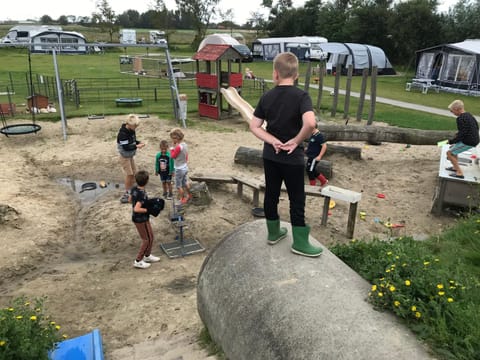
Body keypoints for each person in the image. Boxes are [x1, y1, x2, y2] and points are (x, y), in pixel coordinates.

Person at [249, 52, 322, 257]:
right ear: (296, 74)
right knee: (296, 198)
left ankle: (273, 233)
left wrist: (272, 140)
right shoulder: (301, 96)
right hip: (293, 158)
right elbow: (310, 123)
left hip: (270, 156)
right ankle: (299, 242)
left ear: (275, 74)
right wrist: (296, 141)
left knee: (271, 194)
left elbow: (254, 126)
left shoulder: (267, 96)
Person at [129, 170, 161, 269]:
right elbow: (136, 208)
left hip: (142, 218)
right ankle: (138, 260)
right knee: (146, 239)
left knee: (151, 236)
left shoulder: (134, 188)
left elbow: (130, 199)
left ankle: (147, 255)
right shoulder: (141, 194)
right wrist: (148, 209)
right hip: (140, 219)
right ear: (146, 181)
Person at [446, 100, 479, 179]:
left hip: (469, 141)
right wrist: (456, 142)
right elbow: (476, 127)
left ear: (457, 109)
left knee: (449, 153)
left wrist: (451, 141)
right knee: (454, 150)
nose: (452, 113)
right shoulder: (469, 115)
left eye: (452, 111)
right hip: (474, 139)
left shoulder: (460, 118)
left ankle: (459, 173)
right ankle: (455, 168)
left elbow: (462, 134)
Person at [117, 114, 146, 203]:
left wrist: (138, 142)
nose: (136, 127)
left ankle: (132, 190)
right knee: (129, 174)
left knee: (135, 173)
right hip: (125, 156)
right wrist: (137, 146)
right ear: (128, 124)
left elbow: (132, 141)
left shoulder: (131, 130)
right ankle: (127, 193)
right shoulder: (122, 134)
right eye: (135, 126)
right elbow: (126, 147)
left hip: (130, 156)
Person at [170, 128, 192, 204]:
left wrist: (172, 148)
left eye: (173, 138)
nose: (172, 140)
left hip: (179, 169)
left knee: (179, 186)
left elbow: (172, 156)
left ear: (177, 138)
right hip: (185, 166)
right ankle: (189, 194)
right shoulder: (185, 145)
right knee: (185, 182)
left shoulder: (178, 147)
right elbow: (186, 156)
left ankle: (182, 199)